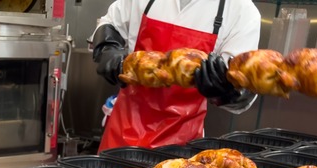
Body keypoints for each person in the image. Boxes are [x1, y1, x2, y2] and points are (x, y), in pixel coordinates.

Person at [92, 0, 262, 152]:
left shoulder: (241, 11)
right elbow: (110, 22)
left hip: (180, 149)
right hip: (123, 135)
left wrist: (225, 90)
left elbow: (244, 90)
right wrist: (108, 49)